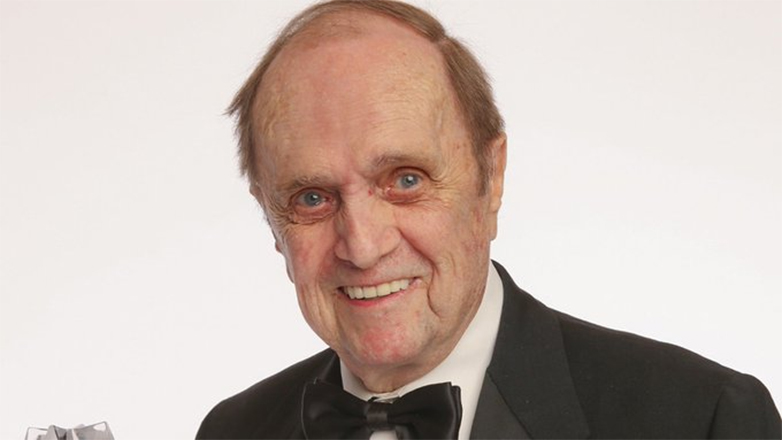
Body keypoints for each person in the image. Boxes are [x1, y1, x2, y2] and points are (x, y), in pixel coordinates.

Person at [196, 0, 781, 438]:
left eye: (406, 180)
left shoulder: (704, 419)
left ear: (491, 176)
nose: (364, 245)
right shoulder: (233, 431)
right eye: (312, 199)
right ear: (269, 216)